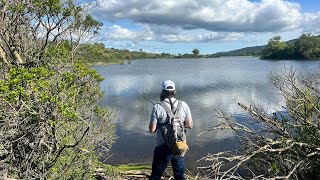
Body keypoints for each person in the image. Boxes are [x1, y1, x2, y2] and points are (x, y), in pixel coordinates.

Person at [149, 80, 193, 180]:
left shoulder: (157, 107)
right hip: (179, 144)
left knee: (156, 176)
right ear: (174, 92)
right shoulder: (184, 105)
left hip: (162, 146)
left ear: (162, 92)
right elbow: (190, 125)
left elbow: (152, 130)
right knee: (179, 176)